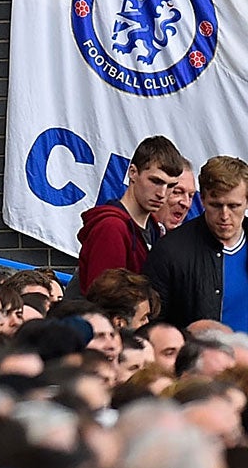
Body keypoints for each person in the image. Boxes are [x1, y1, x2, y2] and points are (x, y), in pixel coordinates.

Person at [146, 155, 248, 330]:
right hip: (196, 355)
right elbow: (152, 324)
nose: (224, 215)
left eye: (233, 206)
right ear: (202, 200)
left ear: (246, 202)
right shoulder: (170, 251)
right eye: (216, 205)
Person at [78, 136, 190, 292]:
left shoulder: (154, 228)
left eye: (171, 186)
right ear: (133, 172)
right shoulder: (111, 227)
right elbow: (104, 301)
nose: (162, 193)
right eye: (156, 181)